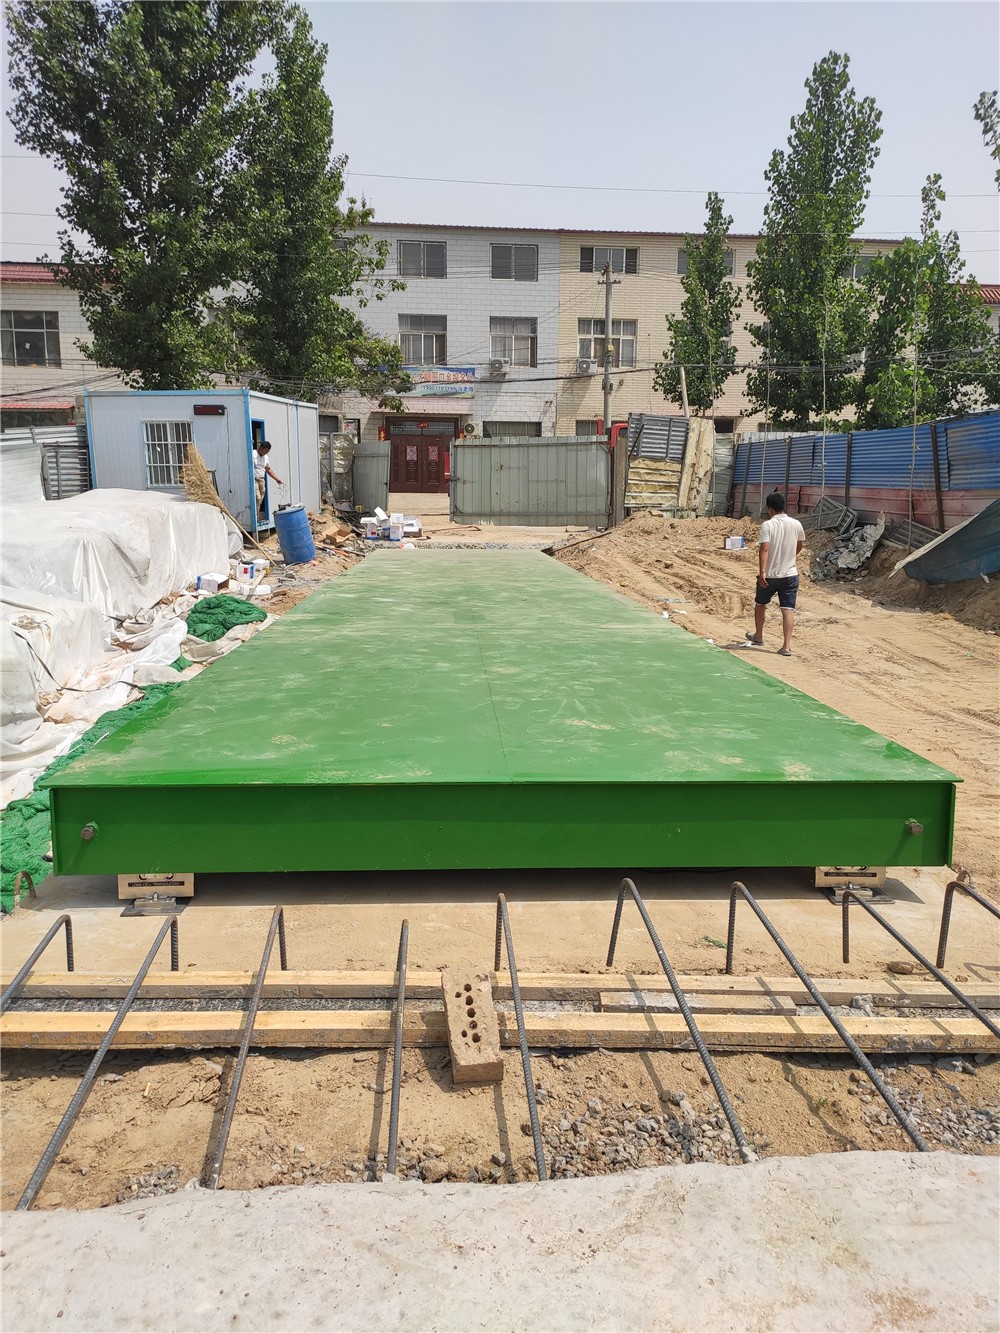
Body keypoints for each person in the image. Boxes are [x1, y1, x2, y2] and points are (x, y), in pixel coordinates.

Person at [746, 492, 805, 656]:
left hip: (770, 575)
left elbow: (764, 548)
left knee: (760, 604)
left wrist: (762, 572)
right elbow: (799, 545)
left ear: (769, 508)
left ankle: (758, 636)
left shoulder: (768, 525)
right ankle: (786, 646)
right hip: (790, 574)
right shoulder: (796, 524)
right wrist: (790, 557)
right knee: (787, 610)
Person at [253, 441, 283, 517]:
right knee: (257, 497)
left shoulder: (266, 458)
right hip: (254, 479)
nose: (265, 453)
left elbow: (268, 470)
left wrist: (277, 479)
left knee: (261, 497)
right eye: (265, 451)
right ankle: (255, 516)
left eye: (267, 452)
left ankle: (256, 513)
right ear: (261, 448)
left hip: (261, 479)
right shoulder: (253, 454)